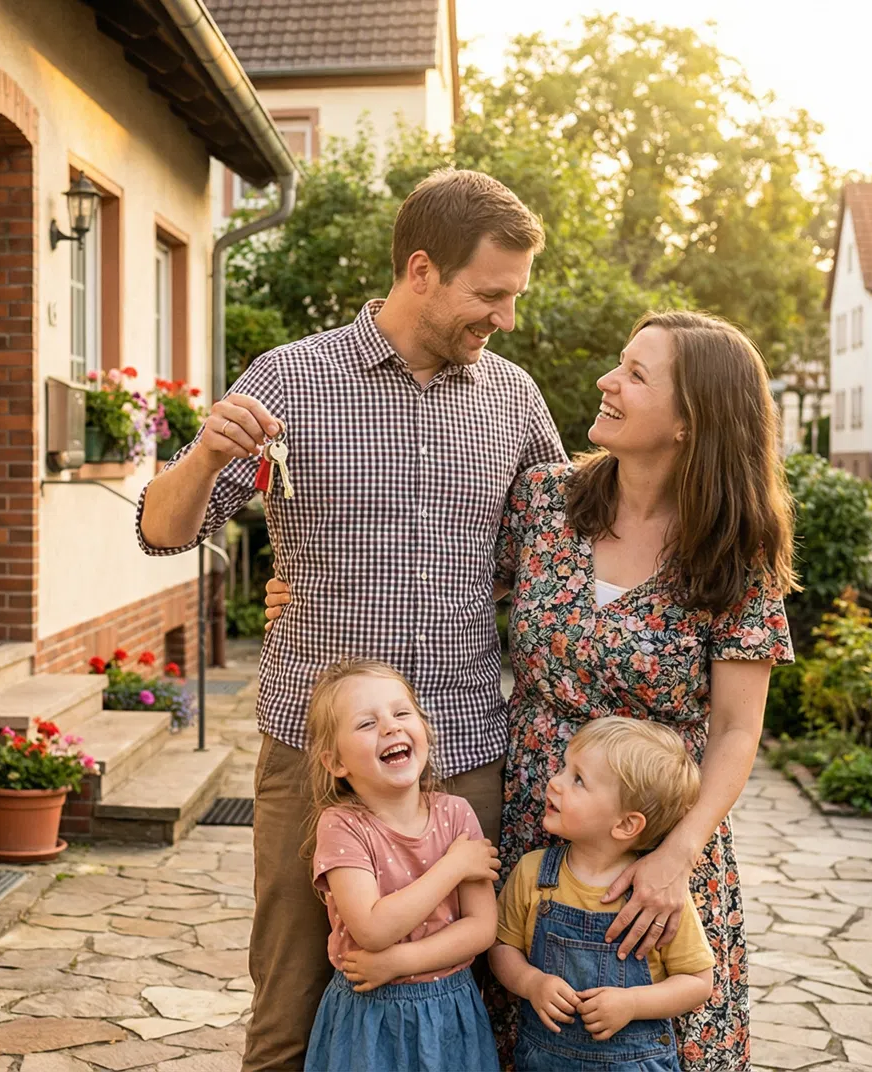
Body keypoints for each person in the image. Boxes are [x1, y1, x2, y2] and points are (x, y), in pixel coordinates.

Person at [267, 309, 793, 1070]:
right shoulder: (547, 500)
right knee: (513, 1028)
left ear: (691, 421)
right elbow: (436, 577)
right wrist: (308, 590)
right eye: (620, 362)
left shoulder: (737, 549)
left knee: (649, 1038)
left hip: (654, 835)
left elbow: (741, 730)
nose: (608, 382)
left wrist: (676, 854)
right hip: (536, 810)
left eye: (637, 375)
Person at [135, 168, 565, 1071]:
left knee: (468, 1006)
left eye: (515, 298)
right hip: (313, 754)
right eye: (491, 295)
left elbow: (560, 558)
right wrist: (207, 454)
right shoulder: (290, 378)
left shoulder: (515, 398)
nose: (508, 320)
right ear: (420, 271)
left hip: (460, 754)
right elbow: (163, 531)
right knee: (290, 1004)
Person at [302, 659, 500, 1072]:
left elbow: (482, 928)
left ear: (424, 729)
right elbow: (372, 929)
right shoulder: (342, 826)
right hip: (370, 1020)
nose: (391, 727)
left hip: (451, 1012)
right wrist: (453, 867)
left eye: (401, 713)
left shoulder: (456, 813)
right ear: (336, 763)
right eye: (366, 723)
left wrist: (399, 962)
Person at [490, 718, 713, 1071]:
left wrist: (633, 1004)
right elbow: (502, 948)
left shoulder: (654, 895)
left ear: (626, 824)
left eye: (577, 779)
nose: (555, 782)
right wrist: (531, 982)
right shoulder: (534, 873)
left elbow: (698, 982)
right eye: (564, 768)